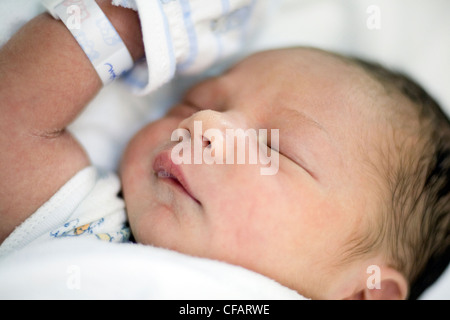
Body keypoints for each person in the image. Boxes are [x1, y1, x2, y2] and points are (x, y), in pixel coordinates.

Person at [0, 0, 448, 300]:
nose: (203, 125)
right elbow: (13, 121)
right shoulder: (91, 227)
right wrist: (137, 20)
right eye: (194, 102)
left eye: (276, 149)